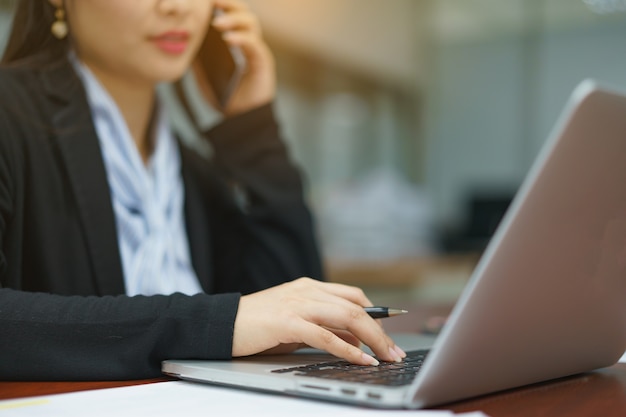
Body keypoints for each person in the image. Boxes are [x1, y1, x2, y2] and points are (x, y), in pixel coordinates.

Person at [0, 0, 406, 380]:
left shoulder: (190, 170)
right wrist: (212, 321)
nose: (176, 7)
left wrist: (254, 133)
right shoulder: (10, 116)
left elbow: (298, 323)